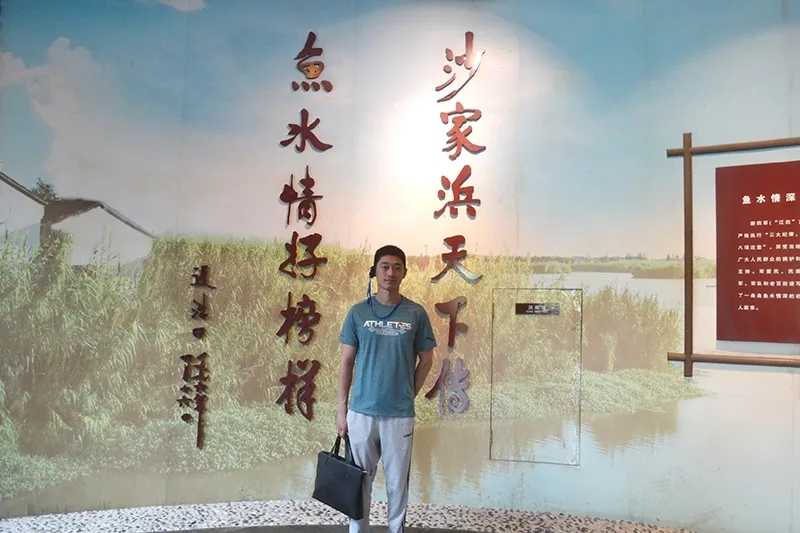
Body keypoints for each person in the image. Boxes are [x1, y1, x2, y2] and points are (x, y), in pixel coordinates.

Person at [337, 244, 436, 533]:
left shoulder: (415, 313)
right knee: (359, 483)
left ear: (404, 272)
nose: (390, 272)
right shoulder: (357, 313)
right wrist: (342, 410)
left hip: (399, 416)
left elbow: (427, 360)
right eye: (385, 266)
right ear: (375, 271)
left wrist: (407, 393)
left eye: (396, 267)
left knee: (397, 485)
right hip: (361, 413)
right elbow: (346, 362)